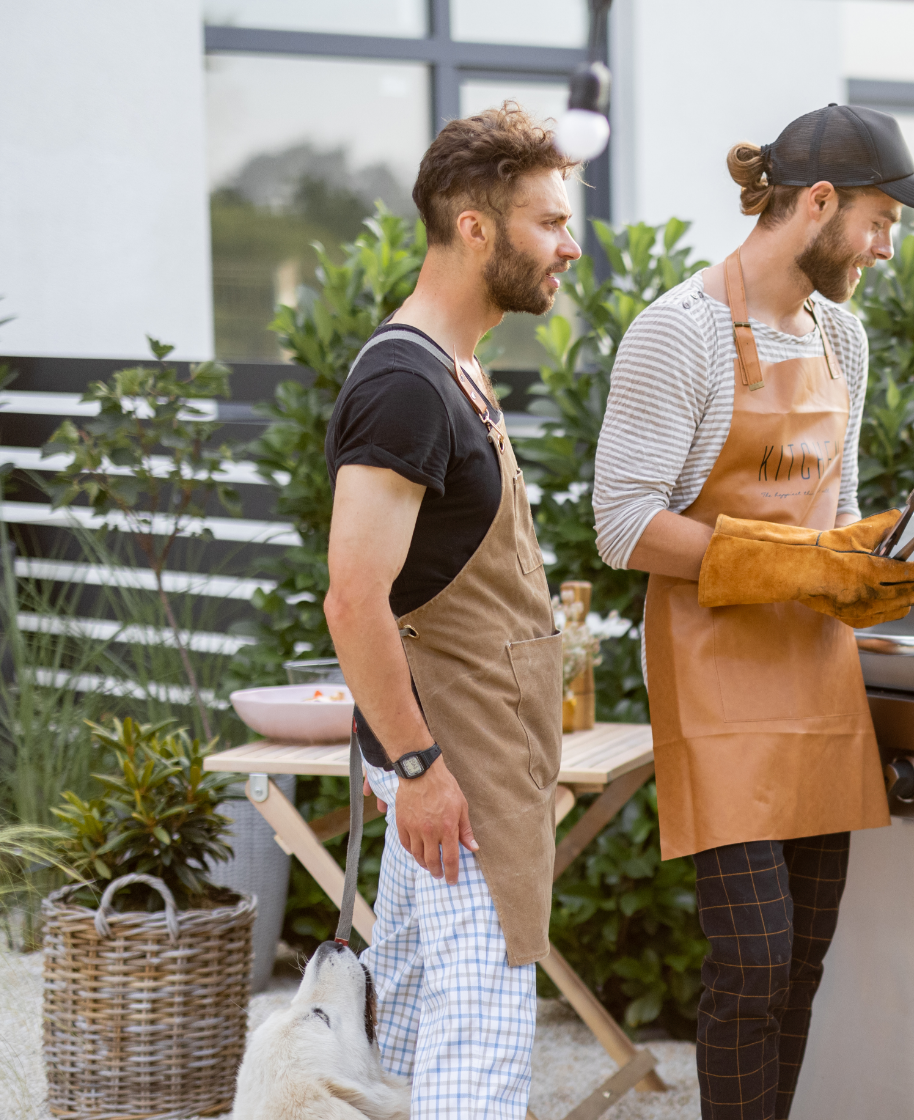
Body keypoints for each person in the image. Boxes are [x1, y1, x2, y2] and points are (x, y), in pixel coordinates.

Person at [592, 104, 914, 1120]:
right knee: (752, 960)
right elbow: (621, 524)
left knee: (801, 965)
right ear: (821, 203)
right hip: (716, 680)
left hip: (817, 676)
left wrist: (864, 564)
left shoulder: (843, 335)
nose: (886, 249)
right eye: (882, 222)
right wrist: (796, 564)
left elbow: (835, 508)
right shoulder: (680, 332)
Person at [322, 104, 581, 1118]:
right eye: (548, 222)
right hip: (456, 782)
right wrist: (419, 769)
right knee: (476, 1069)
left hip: (474, 768)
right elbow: (354, 599)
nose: (568, 246)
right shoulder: (407, 385)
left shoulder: (456, 368)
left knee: (410, 1047)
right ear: (476, 228)